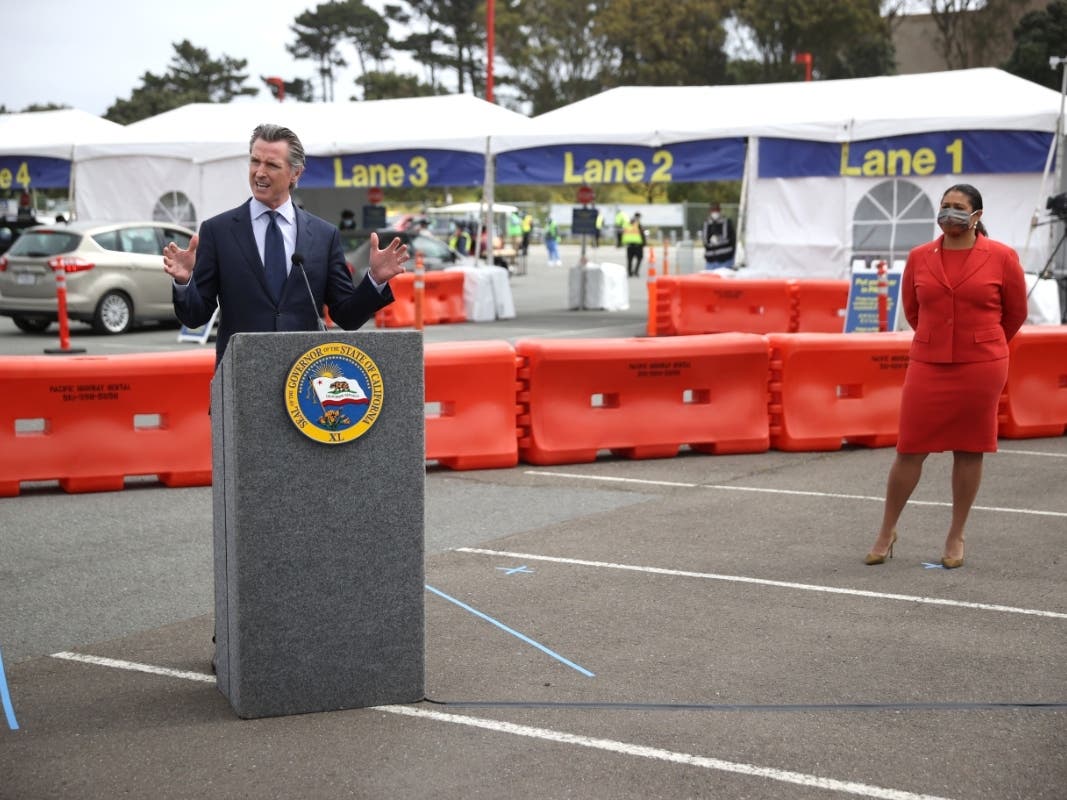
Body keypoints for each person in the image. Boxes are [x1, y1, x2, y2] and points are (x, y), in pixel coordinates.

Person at [863, 183, 1027, 570]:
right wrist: (939, 340)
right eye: (945, 206)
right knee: (910, 448)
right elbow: (913, 309)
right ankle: (886, 531)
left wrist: (983, 344)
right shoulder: (920, 257)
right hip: (929, 362)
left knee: (970, 448)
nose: (949, 213)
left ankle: (956, 534)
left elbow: (1015, 313)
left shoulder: (1002, 257)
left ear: (976, 216)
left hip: (982, 365)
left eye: (958, 207)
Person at [163, 123, 408, 367]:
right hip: (240, 379)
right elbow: (196, 316)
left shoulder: (324, 235)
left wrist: (374, 280)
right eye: (255, 161)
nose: (259, 172)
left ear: (295, 173)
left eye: (271, 165)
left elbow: (347, 317)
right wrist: (184, 282)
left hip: (305, 385)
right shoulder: (218, 231)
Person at [702, 203, 736, 269]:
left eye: (716, 210)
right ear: (710, 211)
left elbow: (729, 239)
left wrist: (718, 239)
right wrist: (710, 241)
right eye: (713, 210)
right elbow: (705, 240)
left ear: (720, 211)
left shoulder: (726, 222)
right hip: (710, 261)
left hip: (725, 260)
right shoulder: (706, 223)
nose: (715, 213)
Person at [621, 212, 646, 277]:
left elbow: (623, 234)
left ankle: (629, 272)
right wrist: (644, 243)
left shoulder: (626, 224)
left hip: (629, 245)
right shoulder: (638, 225)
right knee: (639, 258)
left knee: (630, 260)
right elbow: (642, 234)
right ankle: (636, 271)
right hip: (638, 245)